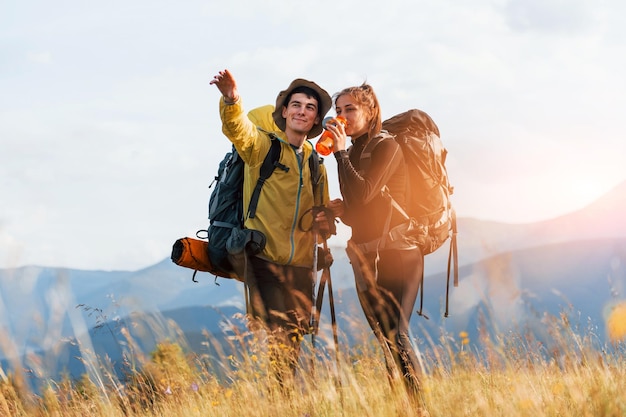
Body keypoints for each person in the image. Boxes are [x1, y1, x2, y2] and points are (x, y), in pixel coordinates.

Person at [209, 69, 332, 379]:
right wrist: (231, 98)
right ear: (284, 111)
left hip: (302, 265)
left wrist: (325, 221)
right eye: (296, 104)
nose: (301, 111)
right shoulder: (262, 147)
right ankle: (281, 400)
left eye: (309, 107)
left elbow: (325, 224)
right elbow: (238, 129)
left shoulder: (316, 165)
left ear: (316, 120)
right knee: (279, 336)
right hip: (263, 258)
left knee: (292, 341)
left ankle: (282, 402)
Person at [321, 84, 425, 397]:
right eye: (338, 110)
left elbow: (365, 193)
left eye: (350, 109)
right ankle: (401, 403)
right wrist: (342, 209)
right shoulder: (351, 152)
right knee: (383, 336)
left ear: (370, 111)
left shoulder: (386, 146)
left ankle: (419, 406)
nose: (342, 116)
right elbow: (360, 211)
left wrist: (338, 154)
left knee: (396, 333)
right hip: (365, 255)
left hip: (398, 253)